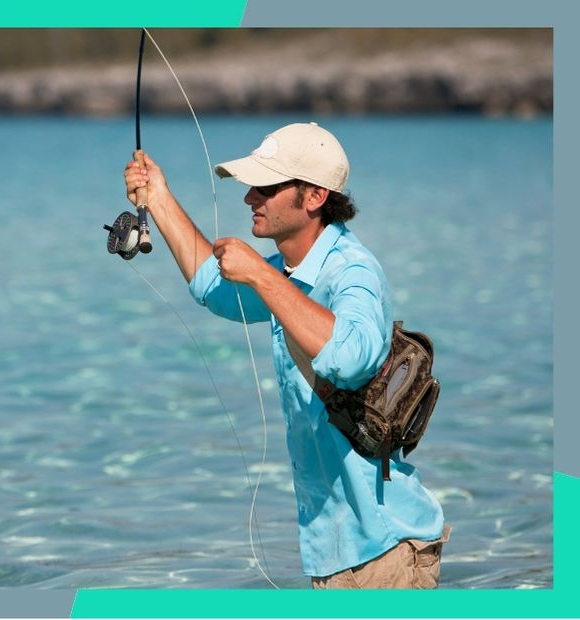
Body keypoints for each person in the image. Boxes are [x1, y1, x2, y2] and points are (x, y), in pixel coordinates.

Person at [123, 122, 449, 589]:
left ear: (314, 196)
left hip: (387, 552)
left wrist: (260, 275)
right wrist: (157, 197)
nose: (249, 198)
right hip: (335, 556)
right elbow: (216, 291)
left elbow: (352, 356)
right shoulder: (290, 270)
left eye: (267, 187)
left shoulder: (353, 271)